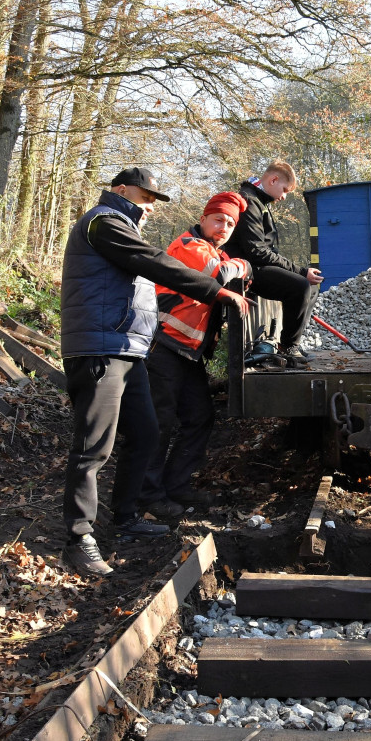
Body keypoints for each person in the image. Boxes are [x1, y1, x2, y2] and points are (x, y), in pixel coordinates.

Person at [60, 167, 250, 578]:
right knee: (94, 446)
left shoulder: (120, 227)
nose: (148, 207)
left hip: (128, 350)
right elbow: (152, 263)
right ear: (120, 190)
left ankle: (125, 518)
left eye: (151, 201)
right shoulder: (103, 223)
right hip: (98, 347)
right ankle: (78, 539)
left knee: (146, 433)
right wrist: (216, 289)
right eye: (144, 198)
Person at [139, 192, 252, 515]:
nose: (224, 227)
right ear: (203, 219)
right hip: (165, 346)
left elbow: (241, 273)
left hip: (188, 353)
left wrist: (240, 266)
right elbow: (219, 275)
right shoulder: (189, 247)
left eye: (230, 223)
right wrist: (241, 264)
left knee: (199, 417)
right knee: (158, 423)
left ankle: (176, 486)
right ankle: (148, 497)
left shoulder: (215, 251)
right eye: (218, 219)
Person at [225, 160, 322, 365]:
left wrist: (300, 271)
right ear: (273, 179)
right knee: (301, 285)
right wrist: (300, 271)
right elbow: (257, 251)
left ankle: (291, 344)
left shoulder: (259, 201)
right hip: (248, 269)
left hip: (257, 264)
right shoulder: (249, 201)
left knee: (311, 286)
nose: (284, 196)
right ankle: (288, 348)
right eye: (284, 190)